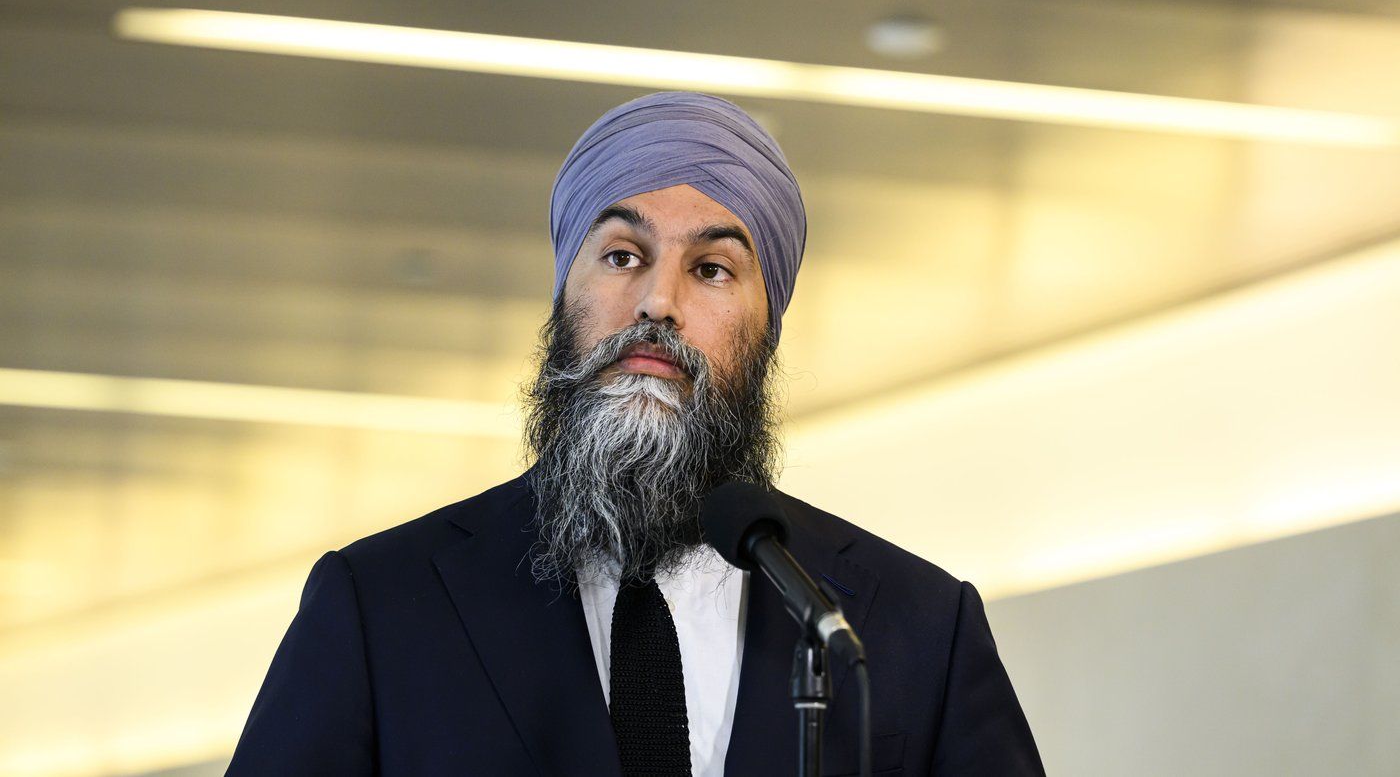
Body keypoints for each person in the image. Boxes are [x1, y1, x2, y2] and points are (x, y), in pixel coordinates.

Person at [225, 91, 1044, 776]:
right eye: (622, 256)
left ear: (767, 333)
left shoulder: (911, 628)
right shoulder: (384, 605)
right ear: (563, 295)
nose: (658, 302)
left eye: (711, 269)